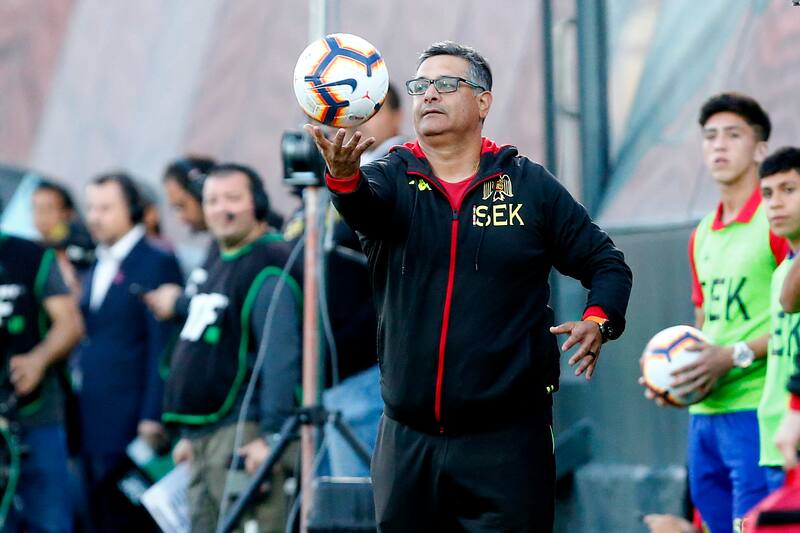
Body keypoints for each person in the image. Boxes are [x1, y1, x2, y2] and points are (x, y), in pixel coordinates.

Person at [307, 41, 632, 532]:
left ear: (483, 101)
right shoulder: (391, 178)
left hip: (507, 441)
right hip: (407, 439)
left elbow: (606, 264)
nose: (428, 95)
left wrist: (598, 320)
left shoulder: (529, 186)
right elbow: (361, 208)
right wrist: (343, 174)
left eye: (445, 84)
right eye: (419, 87)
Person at [642, 93, 785, 532]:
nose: (719, 145)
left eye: (733, 135)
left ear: (760, 148)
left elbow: (792, 323)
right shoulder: (702, 233)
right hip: (704, 419)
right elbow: (703, 327)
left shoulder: (778, 222)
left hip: (756, 413)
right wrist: (670, 375)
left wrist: (734, 355)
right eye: (710, 137)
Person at [160, 163, 302, 533]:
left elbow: (280, 359)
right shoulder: (219, 255)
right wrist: (190, 437)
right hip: (204, 438)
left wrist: (270, 439)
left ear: (256, 203)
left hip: (243, 435)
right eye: (211, 200)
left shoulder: (269, 263)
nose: (221, 209)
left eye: (233, 199)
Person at [75, 172, 183, 532]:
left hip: (133, 420)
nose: (95, 216)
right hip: (93, 418)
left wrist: (153, 415)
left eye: (105, 207)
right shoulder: (98, 262)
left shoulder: (156, 260)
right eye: (91, 207)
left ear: (134, 209)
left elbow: (163, 346)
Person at [0, 227, 84, 533]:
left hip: (38, 416)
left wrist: (39, 359)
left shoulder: (30, 254)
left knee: (50, 522)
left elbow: (70, 323)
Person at [757, 147, 800, 492]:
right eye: (768, 193)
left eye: (789, 190)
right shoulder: (782, 270)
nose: (775, 202)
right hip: (773, 436)